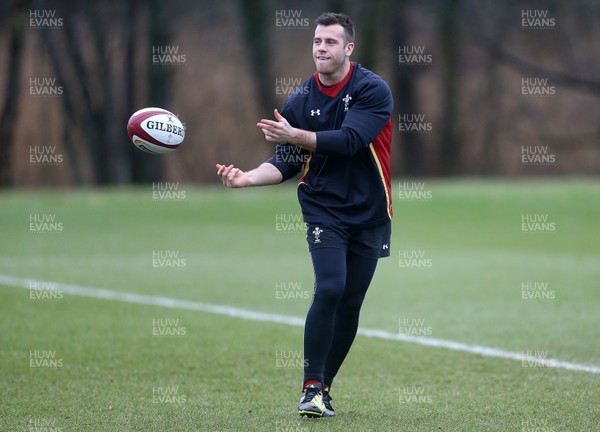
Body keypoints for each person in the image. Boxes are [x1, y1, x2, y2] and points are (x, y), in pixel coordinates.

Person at [216, 12, 393, 418]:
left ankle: (324, 390)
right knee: (330, 287)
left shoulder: (373, 90)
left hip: (370, 210)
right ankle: (309, 387)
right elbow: (285, 162)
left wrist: (294, 135)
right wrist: (247, 179)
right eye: (317, 41)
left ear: (349, 48)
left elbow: (350, 141)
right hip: (323, 207)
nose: (321, 49)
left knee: (351, 302)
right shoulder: (299, 101)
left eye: (331, 42)